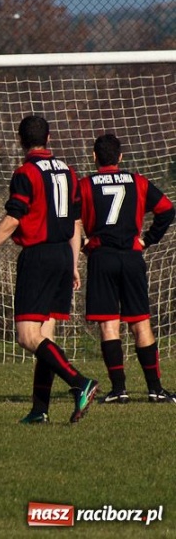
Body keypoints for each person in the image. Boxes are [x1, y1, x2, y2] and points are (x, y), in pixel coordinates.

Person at [0, 115, 97, 424]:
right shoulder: (68, 172)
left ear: (19, 140)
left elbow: (14, 218)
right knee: (44, 336)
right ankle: (40, 410)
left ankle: (81, 383)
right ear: (49, 138)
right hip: (63, 257)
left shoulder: (25, 173)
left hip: (38, 257)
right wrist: (74, 264)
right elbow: (75, 223)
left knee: (28, 336)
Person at [78, 133, 176, 404]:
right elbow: (167, 209)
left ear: (94, 157)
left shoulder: (85, 185)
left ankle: (119, 389)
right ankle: (155, 388)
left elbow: (71, 219)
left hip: (102, 257)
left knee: (109, 324)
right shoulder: (138, 182)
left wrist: (85, 243)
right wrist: (147, 239)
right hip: (132, 258)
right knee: (140, 321)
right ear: (120, 157)